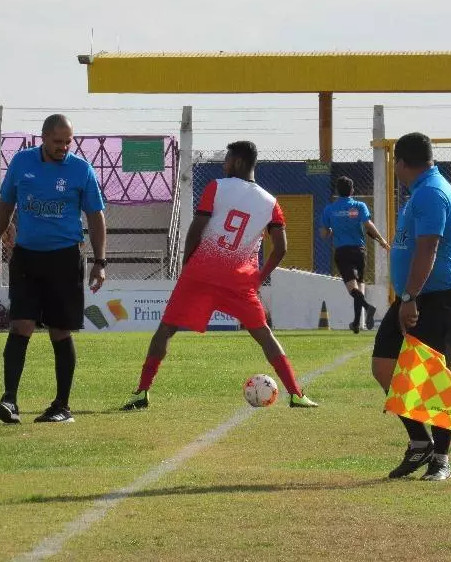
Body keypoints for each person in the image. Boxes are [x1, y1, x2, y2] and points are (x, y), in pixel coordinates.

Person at [121, 140, 318, 410]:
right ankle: (296, 394)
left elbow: (197, 227)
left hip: (202, 272)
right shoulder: (271, 203)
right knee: (264, 335)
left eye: (227, 159)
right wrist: (259, 277)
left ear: (236, 162)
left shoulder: (217, 187)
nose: (224, 164)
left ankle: (141, 393)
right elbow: (281, 248)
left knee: (165, 330)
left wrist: (187, 263)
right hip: (239, 280)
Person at [0, 114, 107, 424]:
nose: (63, 147)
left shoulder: (81, 170)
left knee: (59, 330)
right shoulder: (22, 163)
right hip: (26, 257)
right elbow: (5, 206)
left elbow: (95, 216)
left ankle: (62, 407)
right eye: (57, 142)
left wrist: (100, 262)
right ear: (43, 138)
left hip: (65, 258)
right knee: (20, 325)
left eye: (68, 141)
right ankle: (10, 400)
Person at [371, 132, 451, 481]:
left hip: (433, 300)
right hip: (411, 297)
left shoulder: (430, 192)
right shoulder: (421, 190)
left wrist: (409, 298)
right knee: (384, 365)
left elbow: (429, 249)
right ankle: (419, 442)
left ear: (401, 163)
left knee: (433, 378)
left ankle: (441, 457)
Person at [320, 176, 390, 333]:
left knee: (352, 288)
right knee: (359, 286)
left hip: (342, 252)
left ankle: (368, 308)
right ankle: (356, 323)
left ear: (337, 191)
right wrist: (381, 240)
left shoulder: (329, 209)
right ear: (352, 190)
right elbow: (368, 224)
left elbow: (324, 234)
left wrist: (331, 230)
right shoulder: (359, 206)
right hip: (359, 251)